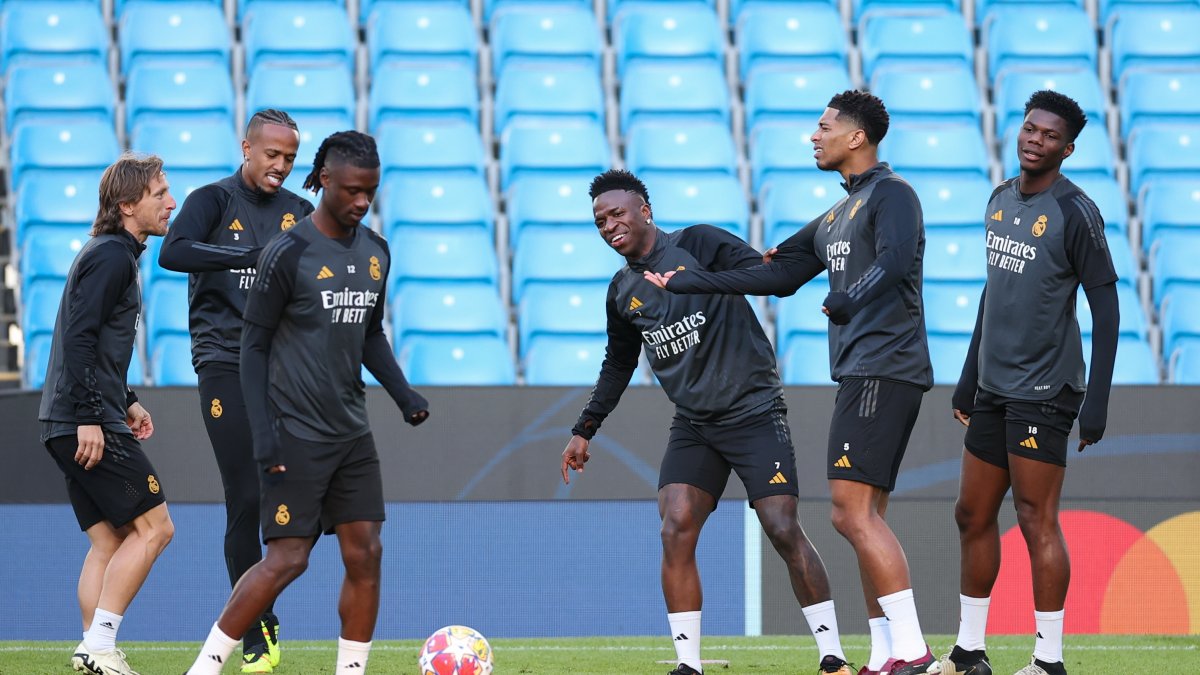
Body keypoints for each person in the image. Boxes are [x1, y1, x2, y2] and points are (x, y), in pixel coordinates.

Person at [644, 90, 938, 675]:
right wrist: (689, 281)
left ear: (856, 137)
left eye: (825, 126)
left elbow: (898, 259)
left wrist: (849, 294)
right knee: (864, 515)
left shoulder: (894, 195)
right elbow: (776, 276)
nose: (814, 135)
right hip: (862, 369)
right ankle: (884, 655)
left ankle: (915, 653)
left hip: (884, 365)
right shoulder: (835, 217)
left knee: (849, 514)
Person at [561, 169, 853, 675]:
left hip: (755, 410)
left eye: (617, 213)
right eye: (600, 220)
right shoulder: (622, 291)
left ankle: (832, 656)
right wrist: (585, 428)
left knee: (782, 527)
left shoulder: (698, 242)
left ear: (644, 210)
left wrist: (699, 281)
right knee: (675, 526)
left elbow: (766, 275)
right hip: (695, 424)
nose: (609, 225)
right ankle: (688, 665)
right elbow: (619, 362)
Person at [184, 130, 429, 675]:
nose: (362, 202)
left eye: (370, 191)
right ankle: (205, 666)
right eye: (351, 191)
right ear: (322, 181)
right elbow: (252, 345)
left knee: (366, 553)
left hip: (351, 432)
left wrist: (402, 393)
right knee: (287, 558)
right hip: (295, 432)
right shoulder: (286, 253)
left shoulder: (377, 252)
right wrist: (265, 433)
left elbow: (369, 334)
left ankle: (351, 671)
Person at [937, 90, 1119, 675]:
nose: (1034, 139)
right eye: (1029, 128)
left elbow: (1107, 310)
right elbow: (993, 294)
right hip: (993, 388)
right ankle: (969, 650)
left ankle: (1048, 661)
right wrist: (969, 379)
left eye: (1048, 135)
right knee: (971, 513)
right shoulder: (997, 199)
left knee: (1036, 519)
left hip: (1046, 390)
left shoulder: (1076, 211)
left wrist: (1097, 404)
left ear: (1067, 148)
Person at [158, 108, 315, 672]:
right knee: (245, 499)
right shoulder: (211, 200)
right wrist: (251, 256)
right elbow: (172, 252)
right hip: (224, 364)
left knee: (296, 501)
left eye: (290, 158)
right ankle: (256, 630)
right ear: (246, 147)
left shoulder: (302, 213)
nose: (280, 166)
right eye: (272, 154)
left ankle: (259, 609)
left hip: (286, 373)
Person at [39, 153, 177, 675]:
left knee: (110, 539)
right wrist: (93, 416)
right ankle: (99, 645)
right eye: (159, 193)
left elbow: (92, 343)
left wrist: (127, 398)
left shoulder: (112, 254)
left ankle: (91, 649)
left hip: (66, 417)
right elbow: (79, 337)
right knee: (156, 528)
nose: (171, 202)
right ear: (126, 204)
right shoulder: (113, 256)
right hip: (81, 417)